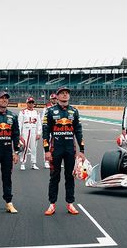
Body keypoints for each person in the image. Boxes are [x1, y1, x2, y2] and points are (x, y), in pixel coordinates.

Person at [43, 87, 85, 216]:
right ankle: (52, 204)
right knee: (54, 177)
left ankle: (70, 203)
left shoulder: (74, 111)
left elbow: (78, 131)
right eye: (62, 93)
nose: (65, 95)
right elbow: (45, 132)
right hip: (55, 149)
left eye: (67, 93)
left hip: (70, 149)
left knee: (69, 177)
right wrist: (46, 151)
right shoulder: (50, 111)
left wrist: (82, 149)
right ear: (58, 96)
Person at [18, 97, 41, 170]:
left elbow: (39, 124)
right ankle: (23, 163)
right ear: (27, 103)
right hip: (25, 131)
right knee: (25, 147)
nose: (31, 104)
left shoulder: (36, 112)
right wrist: (19, 134)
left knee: (34, 148)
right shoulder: (22, 112)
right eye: (29, 102)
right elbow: (19, 123)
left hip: (34, 131)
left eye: (32, 102)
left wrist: (38, 133)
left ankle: (33, 163)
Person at [42, 93, 57, 168]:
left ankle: (55, 160)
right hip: (48, 128)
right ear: (50, 99)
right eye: (53, 99)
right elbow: (43, 119)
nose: (54, 100)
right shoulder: (46, 108)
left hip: (56, 129)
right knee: (47, 144)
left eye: (55, 98)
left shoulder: (59, 107)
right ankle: (46, 161)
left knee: (55, 145)